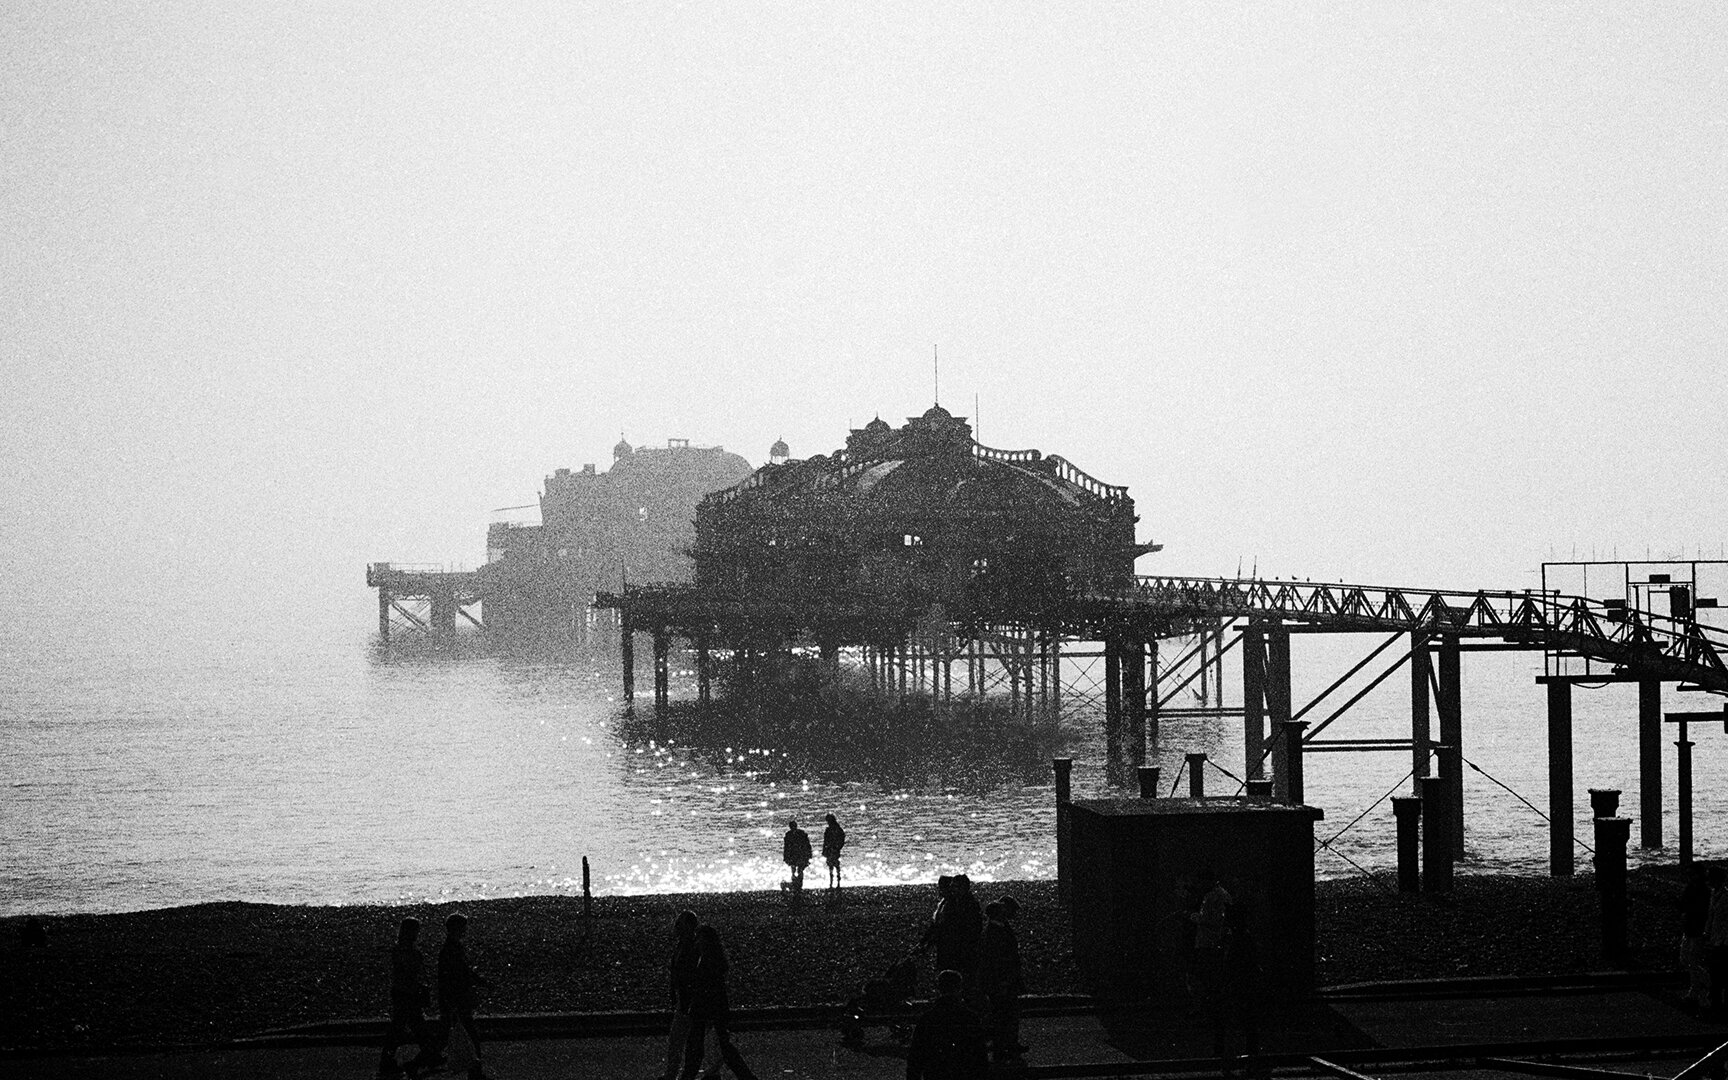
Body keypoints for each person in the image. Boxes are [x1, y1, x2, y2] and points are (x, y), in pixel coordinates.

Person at [678, 924, 758, 1080]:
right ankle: (744, 1076)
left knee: (699, 1047)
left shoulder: (707, 961)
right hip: (713, 1010)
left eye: (699, 937)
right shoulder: (713, 959)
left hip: (705, 1011)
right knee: (721, 1047)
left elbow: (706, 988)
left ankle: (692, 1076)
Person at [378, 917, 441, 1079]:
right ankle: (427, 1056)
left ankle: (428, 1056)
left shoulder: (399, 949)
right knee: (408, 1027)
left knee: (409, 1026)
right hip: (406, 992)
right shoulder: (408, 951)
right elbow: (410, 972)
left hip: (401, 991)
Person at [437, 912, 494, 1080]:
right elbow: (454, 975)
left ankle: (421, 1061)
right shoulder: (451, 950)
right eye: (463, 927)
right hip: (457, 998)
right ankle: (475, 1072)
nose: (465, 931)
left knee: (450, 1036)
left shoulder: (451, 948)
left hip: (456, 998)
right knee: (469, 1035)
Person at [905, 968, 988, 1080]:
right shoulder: (970, 1018)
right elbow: (979, 1056)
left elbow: (916, 1056)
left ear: (939, 988)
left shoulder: (928, 1019)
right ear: (959, 988)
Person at [921, 874, 983, 1008]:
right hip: (953, 947)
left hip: (960, 948)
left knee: (960, 976)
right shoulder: (953, 903)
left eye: (955, 887)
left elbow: (968, 929)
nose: (952, 890)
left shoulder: (965, 904)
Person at [979, 897, 1025, 1065]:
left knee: (1003, 1015)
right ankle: (1005, 1048)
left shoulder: (993, 930)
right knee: (1005, 1015)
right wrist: (1004, 981)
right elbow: (999, 960)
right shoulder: (996, 932)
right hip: (1003, 981)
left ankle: (1006, 1047)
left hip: (1001, 981)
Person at [662, 910, 700, 1080]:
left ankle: (675, 1075)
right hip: (684, 1000)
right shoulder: (684, 945)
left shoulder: (691, 947)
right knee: (681, 1042)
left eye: (679, 924)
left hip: (689, 1002)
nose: (676, 927)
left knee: (682, 1041)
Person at [1681, 864, 1712, 1012]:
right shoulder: (1692, 889)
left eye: (1692, 874)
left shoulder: (1704, 892)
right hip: (1690, 928)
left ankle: (1698, 990)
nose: (1689, 877)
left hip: (1697, 929)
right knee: (1687, 959)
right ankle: (1706, 983)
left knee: (1692, 960)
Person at [782, 818, 813, 896]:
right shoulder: (800, 834)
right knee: (797, 870)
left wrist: (786, 856)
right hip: (797, 855)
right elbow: (807, 845)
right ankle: (798, 885)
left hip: (796, 855)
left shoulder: (790, 835)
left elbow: (786, 847)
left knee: (797, 870)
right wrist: (809, 855)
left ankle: (797, 885)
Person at [822, 814, 847, 890]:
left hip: (832, 849)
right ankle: (835, 883)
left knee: (833, 866)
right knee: (835, 866)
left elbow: (826, 841)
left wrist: (836, 847)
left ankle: (833, 882)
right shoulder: (837, 829)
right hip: (833, 849)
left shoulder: (831, 829)